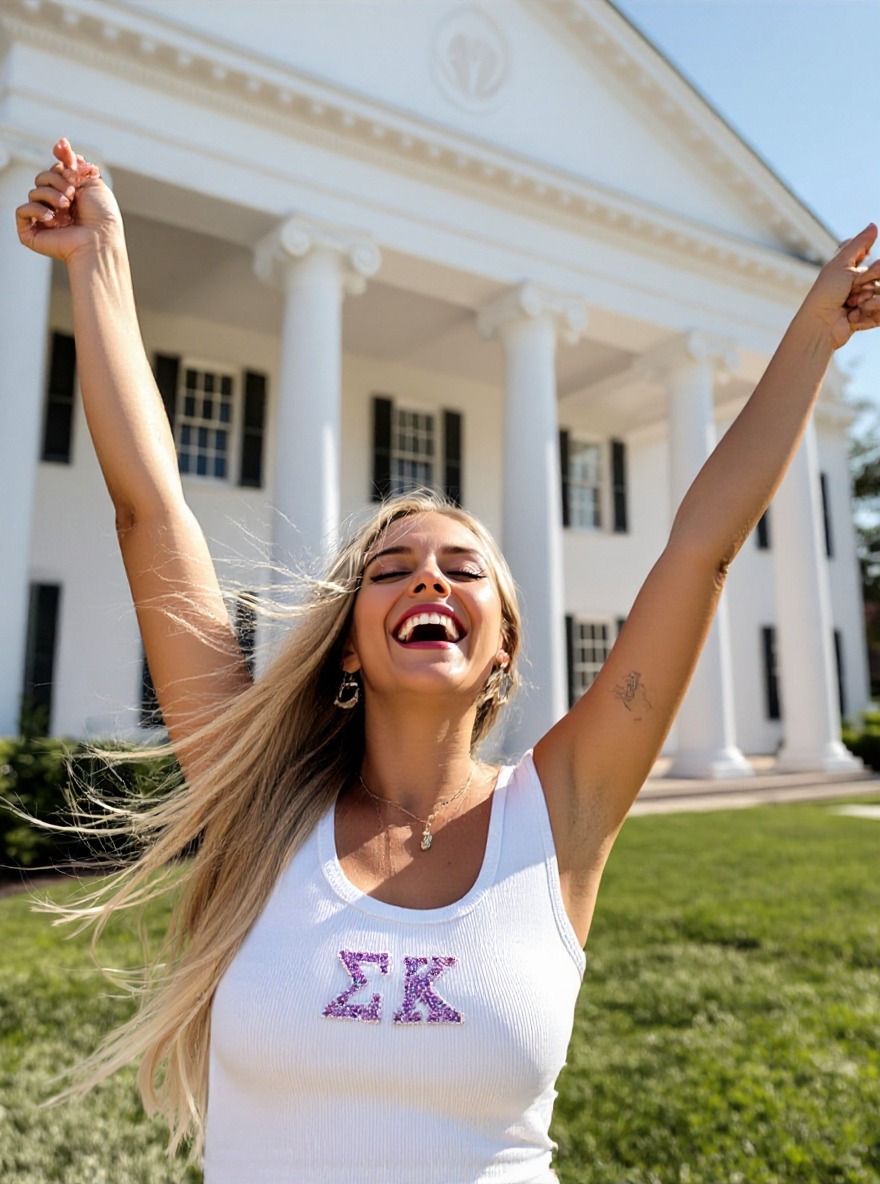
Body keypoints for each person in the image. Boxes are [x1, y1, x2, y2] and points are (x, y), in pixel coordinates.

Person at [16, 138, 880, 1183]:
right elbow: (151, 512)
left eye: (462, 567)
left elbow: (699, 548)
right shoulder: (256, 806)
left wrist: (812, 335)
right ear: (347, 635)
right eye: (391, 567)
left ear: (504, 644)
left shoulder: (559, 811)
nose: (429, 580)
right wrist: (97, 259)